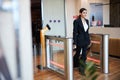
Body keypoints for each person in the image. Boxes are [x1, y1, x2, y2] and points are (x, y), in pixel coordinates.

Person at [73, 8, 90, 75]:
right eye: (83, 12)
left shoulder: (87, 21)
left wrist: (89, 39)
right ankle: (75, 63)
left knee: (84, 55)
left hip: (86, 40)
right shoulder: (76, 21)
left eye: (86, 12)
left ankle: (81, 69)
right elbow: (74, 32)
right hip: (79, 40)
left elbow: (87, 31)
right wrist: (75, 42)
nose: (85, 14)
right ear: (80, 13)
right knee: (77, 53)